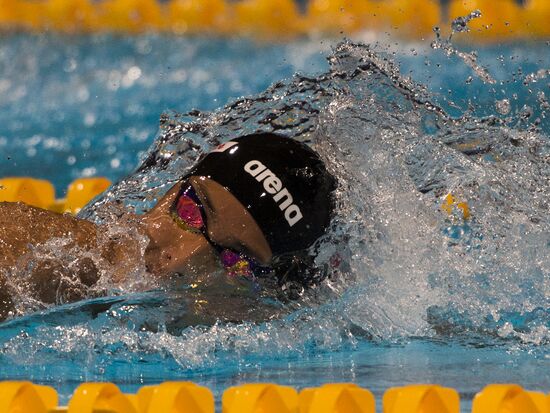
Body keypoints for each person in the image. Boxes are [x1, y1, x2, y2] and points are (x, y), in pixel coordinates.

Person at [0, 133, 336, 321]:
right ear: (171, 189)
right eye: (190, 211)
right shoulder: (45, 252)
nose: (181, 258)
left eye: (234, 259)